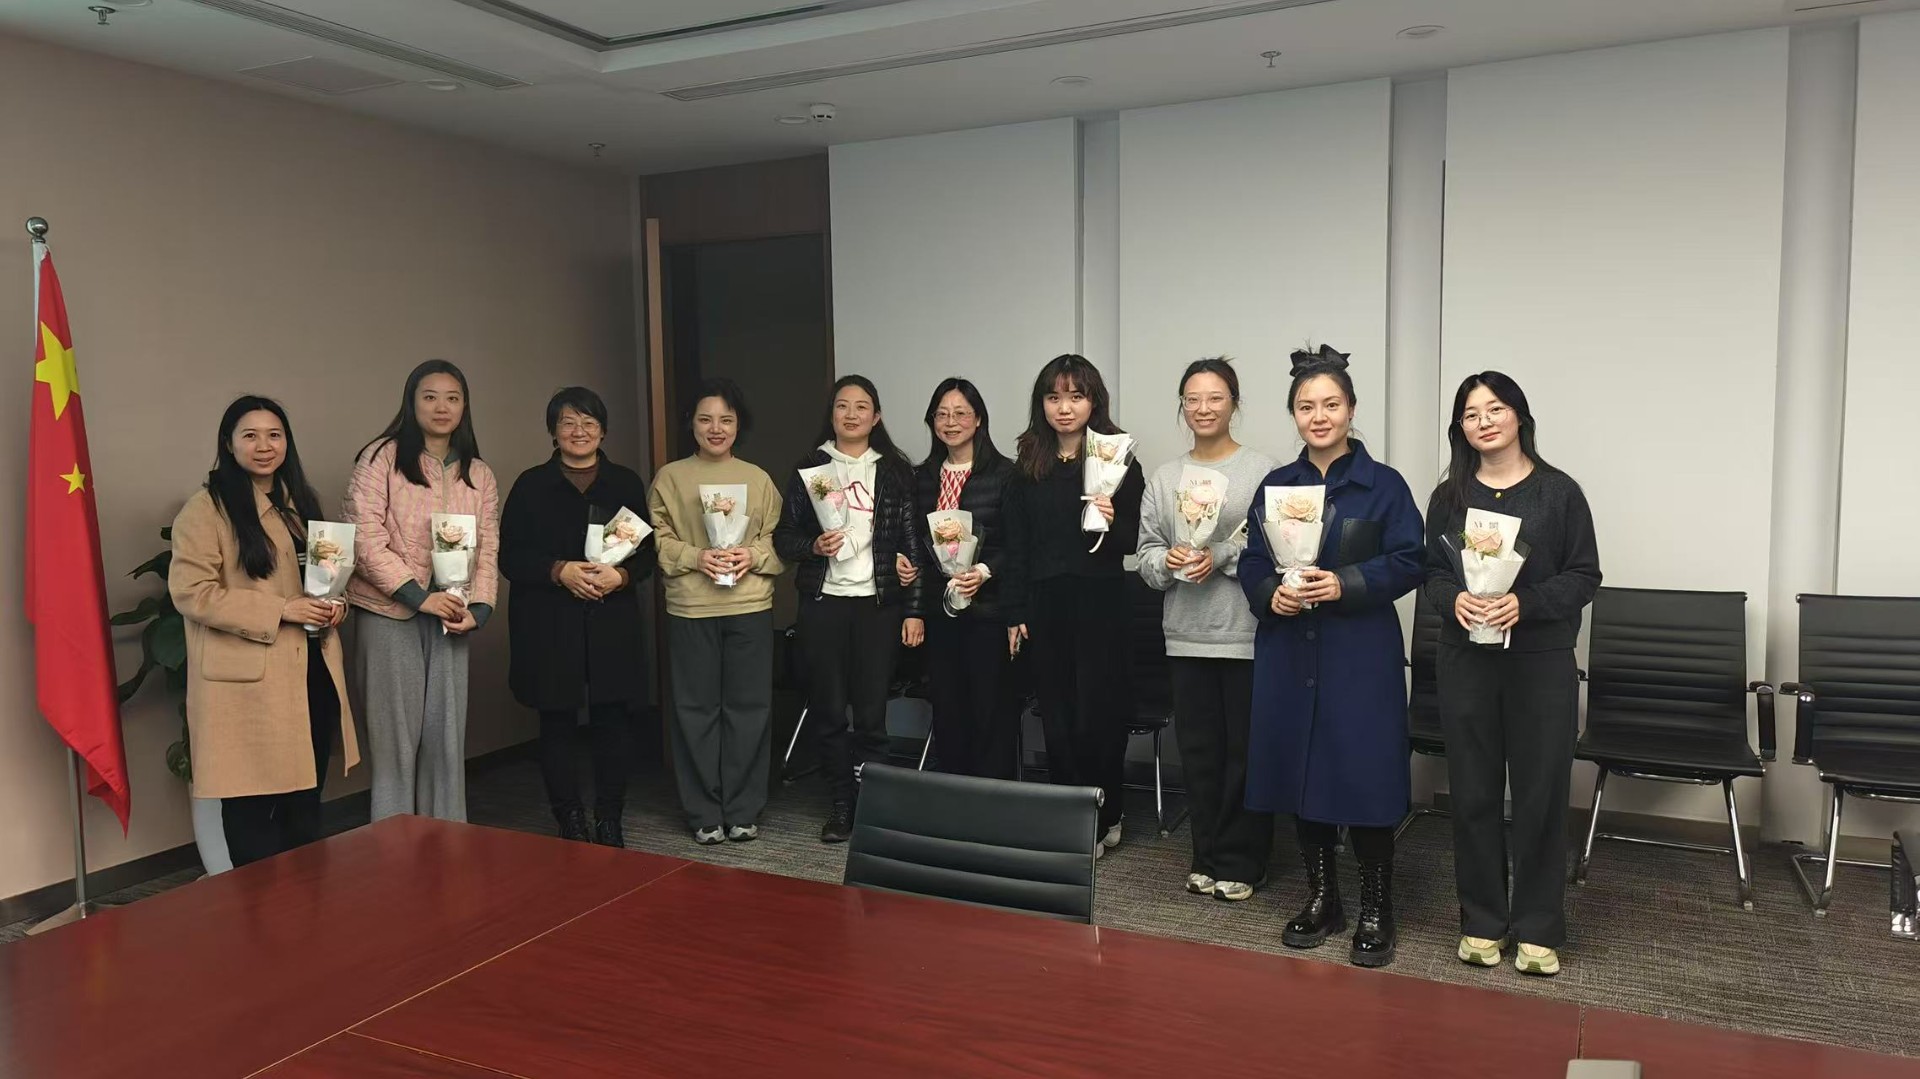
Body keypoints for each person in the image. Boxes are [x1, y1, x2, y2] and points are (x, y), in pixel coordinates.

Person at [1240, 345, 1425, 968]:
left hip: (1359, 654)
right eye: (1305, 406)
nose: (1318, 417)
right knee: (1302, 772)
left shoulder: (1385, 486)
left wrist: (1345, 583)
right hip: (1290, 649)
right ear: (1293, 414)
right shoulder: (1276, 485)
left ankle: (1376, 906)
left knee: (1365, 773)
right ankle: (1324, 899)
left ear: (1351, 409)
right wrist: (1270, 596)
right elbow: (1253, 560)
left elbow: (1410, 560)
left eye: (1330, 405)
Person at [1424, 371, 1600, 977]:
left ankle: (1538, 929)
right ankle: (1481, 922)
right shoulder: (1448, 497)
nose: (1485, 421)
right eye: (1471, 414)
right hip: (1466, 661)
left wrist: (1525, 603)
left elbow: (1584, 576)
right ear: (1461, 428)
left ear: (1520, 415)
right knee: (1472, 792)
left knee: (1540, 797)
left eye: (1495, 408)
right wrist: (1453, 599)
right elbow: (1431, 572)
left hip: (1540, 663)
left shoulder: (1559, 492)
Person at [169, 396, 359, 868]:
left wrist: (335, 605)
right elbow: (191, 592)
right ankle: (255, 913)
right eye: (250, 435)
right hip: (249, 685)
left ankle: (304, 910)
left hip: (311, 672)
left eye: (274, 435)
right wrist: (281, 610)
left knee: (305, 809)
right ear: (228, 444)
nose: (264, 446)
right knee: (251, 815)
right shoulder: (206, 509)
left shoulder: (299, 503)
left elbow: (321, 579)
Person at [1136, 358, 1278, 901]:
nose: (1203, 408)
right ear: (1182, 406)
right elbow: (1146, 555)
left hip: (1245, 635)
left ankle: (1244, 861)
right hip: (1185, 634)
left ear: (1234, 403)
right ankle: (1207, 855)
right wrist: (1168, 561)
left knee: (1245, 752)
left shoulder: (1264, 471)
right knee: (1197, 754)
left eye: (1215, 397)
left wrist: (1218, 555)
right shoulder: (1164, 478)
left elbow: (1276, 547)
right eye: (1192, 399)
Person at [344, 359, 499, 823]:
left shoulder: (479, 473)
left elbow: (488, 546)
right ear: (411, 403)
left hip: (452, 616)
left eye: (452, 397)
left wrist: (480, 608)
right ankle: (394, 847)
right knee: (394, 742)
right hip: (389, 613)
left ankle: (447, 843)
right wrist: (417, 595)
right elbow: (364, 538)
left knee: (446, 742)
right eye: (429, 396)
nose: (441, 407)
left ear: (465, 406)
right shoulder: (381, 458)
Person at [1003, 354, 1144, 856]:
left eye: (1076, 396)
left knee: (1099, 714)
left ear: (1093, 401)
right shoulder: (1028, 465)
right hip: (1046, 603)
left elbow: (1133, 540)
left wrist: (1112, 517)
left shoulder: (1118, 460)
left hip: (1101, 600)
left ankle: (1107, 812)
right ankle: (1068, 817)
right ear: (1041, 403)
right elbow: (1016, 547)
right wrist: (1016, 612)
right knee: (1057, 715)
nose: (1064, 408)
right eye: (1054, 397)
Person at [774, 375, 924, 843]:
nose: (852, 414)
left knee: (873, 714)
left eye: (862, 406)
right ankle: (841, 804)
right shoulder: (811, 467)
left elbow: (913, 542)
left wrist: (913, 603)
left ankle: (873, 807)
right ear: (832, 413)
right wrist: (813, 546)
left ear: (876, 417)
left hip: (877, 608)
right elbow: (784, 537)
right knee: (830, 712)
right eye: (843, 405)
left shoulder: (895, 471)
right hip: (824, 606)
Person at [499, 387, 651, 847]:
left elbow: (648, 555)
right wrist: (557, 571)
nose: (578, 431)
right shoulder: (530, 485)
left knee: (613, 720)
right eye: (568, 422)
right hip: (549, 622)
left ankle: (609, 817)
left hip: (610, 620)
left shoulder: (625, 483)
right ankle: (569, 818)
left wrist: (620, 577)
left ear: (603, 431)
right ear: (553, 431)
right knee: (557, 721)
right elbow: (509, 556)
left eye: (589, 422)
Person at [648, 378, 785, 845]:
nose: (716, 428)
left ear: (738, 425)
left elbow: (778, 538)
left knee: (750, 708)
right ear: (691, 423)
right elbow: (657, 539)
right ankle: (703, 811)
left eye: (726, 419)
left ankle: (744, 809)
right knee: (694, 710)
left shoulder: (758, 478)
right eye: (705, 419)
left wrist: (752, 555)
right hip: (691, 608)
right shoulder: (670, 477)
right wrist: (696, 556)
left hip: (749, 605)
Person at [909, 377, 1019, 779]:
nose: (950, 422)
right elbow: (915, 541)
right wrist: (908, 567)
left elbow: (1020, 544)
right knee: (948, 709)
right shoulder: (922, 477)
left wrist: (985, 571)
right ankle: (954, 799)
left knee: (991, 711)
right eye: (942, 414)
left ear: (978, 420)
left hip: (989, 612)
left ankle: (993, 800)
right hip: (940, 613)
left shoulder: (1005, 474)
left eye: (960, 413)